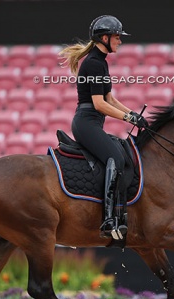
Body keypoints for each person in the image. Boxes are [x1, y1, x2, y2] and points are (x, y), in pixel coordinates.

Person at [58, 15, 149, 240]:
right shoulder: (93, 63)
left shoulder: (100, 62)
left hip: (92, 121)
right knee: (115, 159)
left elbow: (109, 98)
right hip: (86, 122)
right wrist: (128, 119)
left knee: (120, 155)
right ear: (104, 38)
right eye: (117, 37)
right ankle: (109, 218)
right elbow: (99, 104)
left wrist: (133, 114)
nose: (120, 41)